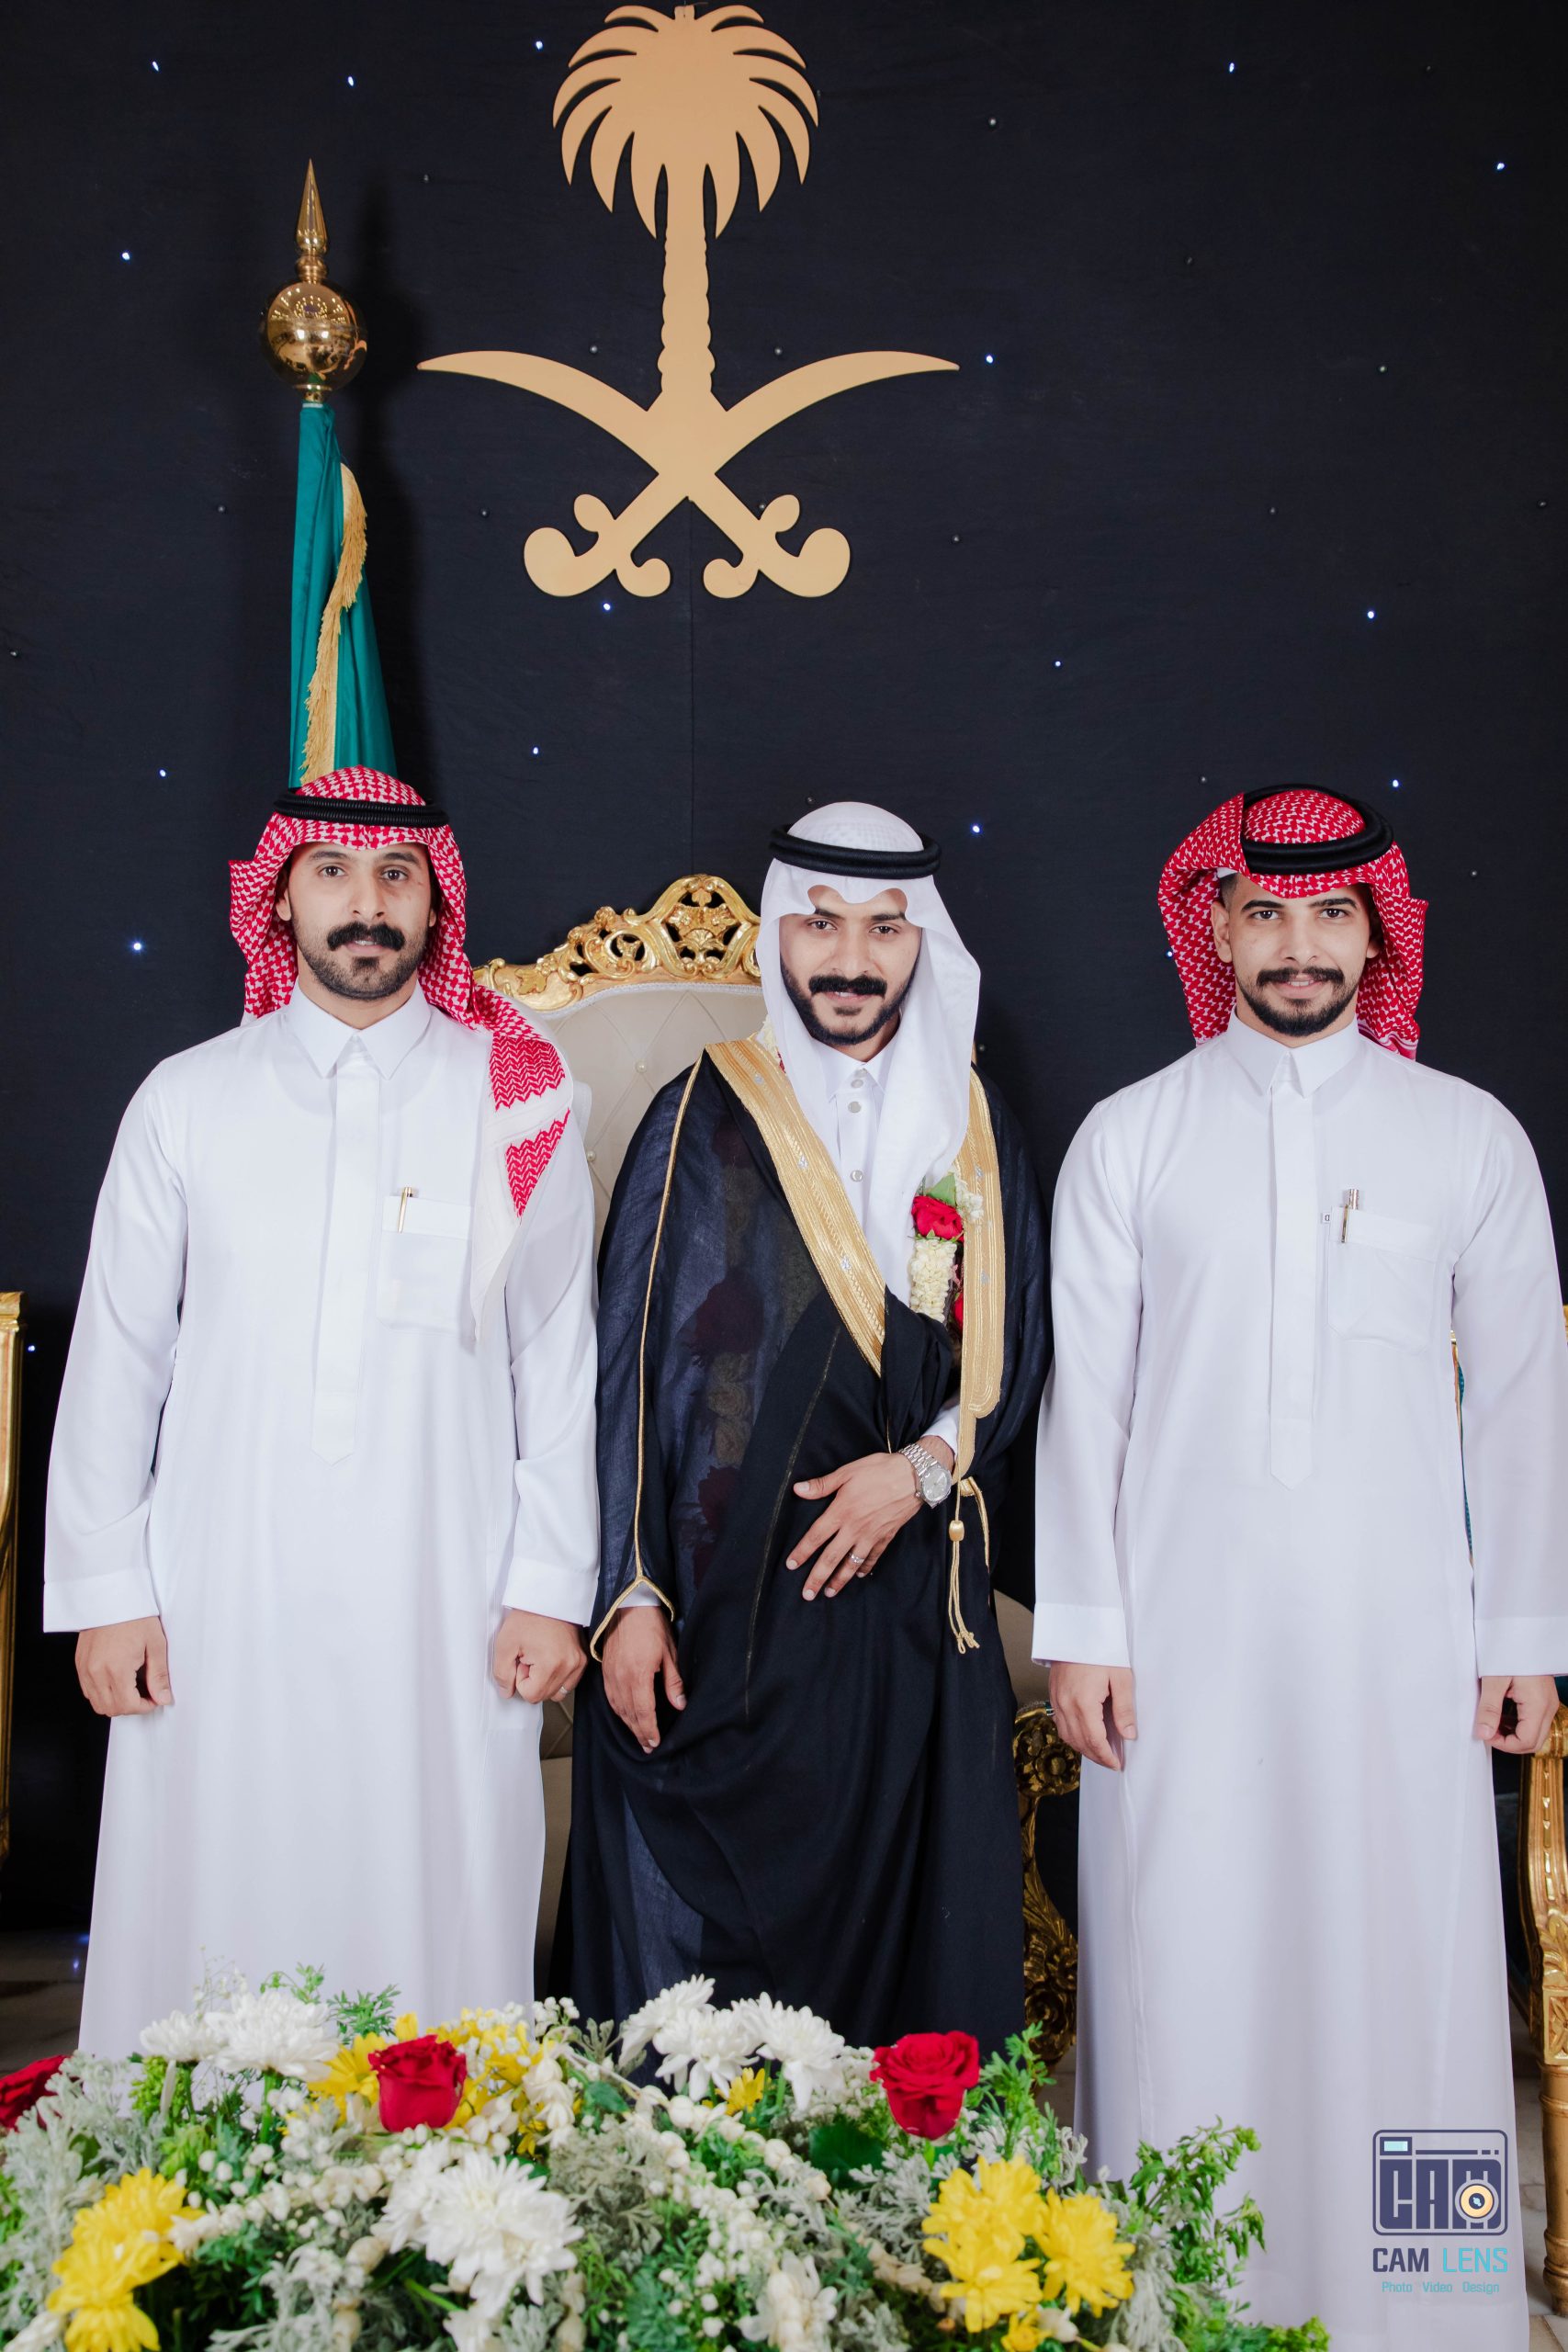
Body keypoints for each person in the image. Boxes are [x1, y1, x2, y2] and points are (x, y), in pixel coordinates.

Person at [1035, 785, 1568, 2350]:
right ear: (1215, 923)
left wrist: (1523, 1632)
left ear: (1376, 930)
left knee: (1411, 1976)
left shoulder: (1466, 1136)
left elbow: (1524, 1403)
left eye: (1331, 914)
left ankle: (1433, 2307)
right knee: (1188, 1962)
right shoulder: (1132, 1138)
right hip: (1177, 1652)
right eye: (1265, 911)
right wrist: (1083, 1627)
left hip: (1404, 1650)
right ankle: (1183, 2302)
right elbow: (1087, 1405)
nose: (1297, 946)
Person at [46, 769, 599, 2055]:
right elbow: (120, 1358)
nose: (368, 904)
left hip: (447, 1591)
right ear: (281, 900)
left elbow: (559, 1355)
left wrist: (549, 1584)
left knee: (435, 1891)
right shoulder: (187, 1099)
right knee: (214, 1880)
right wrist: (109, 1590)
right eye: (335, 873)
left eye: (397, 876)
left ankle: (439, 2161)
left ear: (435, 904)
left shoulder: (518, 1097)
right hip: (218, 1589)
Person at [566, 802, 1048, 2050]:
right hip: (727, 1596)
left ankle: (896, 2156)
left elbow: (1014, 1355)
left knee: (914, 1943)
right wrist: (632, 1593)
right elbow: (627, 1370)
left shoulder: (976, 1126)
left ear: (922, 943)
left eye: (886, 928)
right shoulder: (699, 1108)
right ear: (779, 932)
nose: (851, 958)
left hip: (911, 1582)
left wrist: (920, 1472)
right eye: (822, 924)